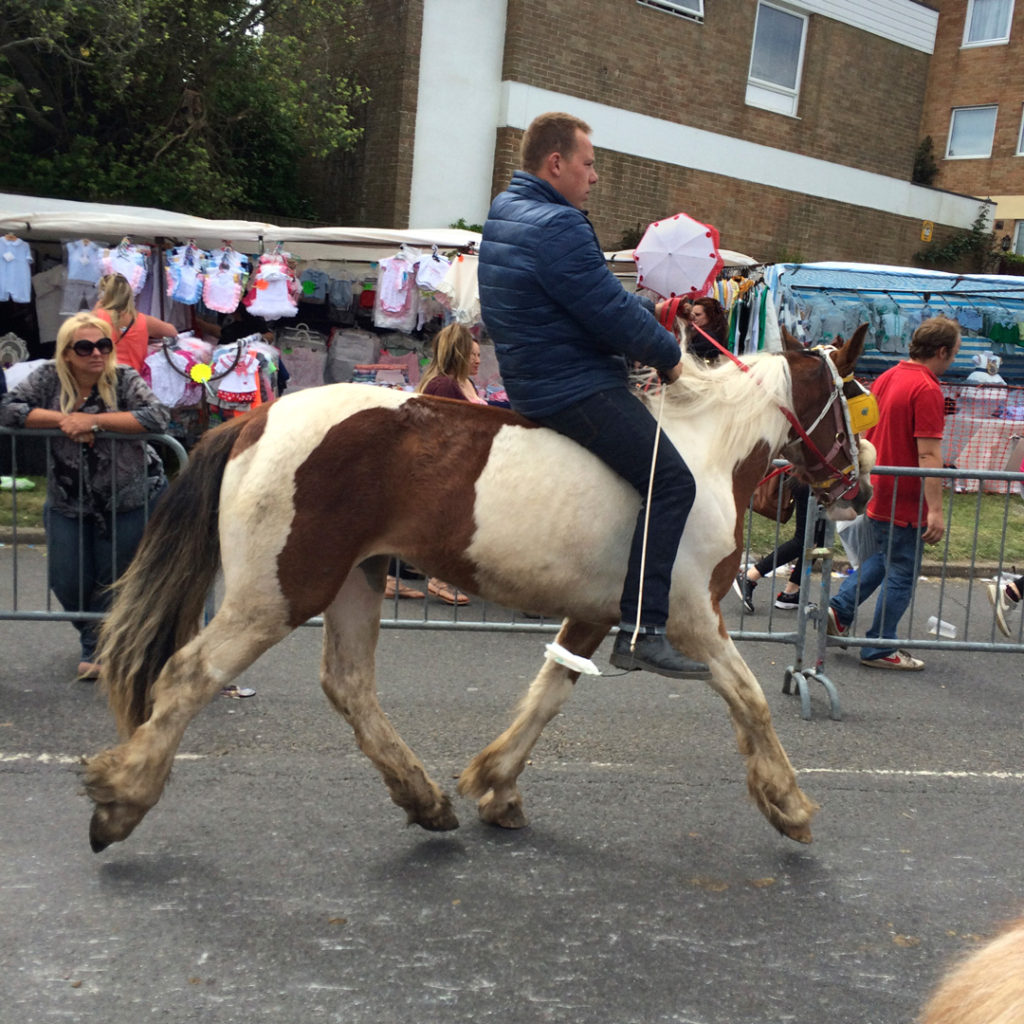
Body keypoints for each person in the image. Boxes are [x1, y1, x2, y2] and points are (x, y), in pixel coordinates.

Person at [478, 111, 708, 680]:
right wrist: (672, 359)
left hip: (533, 379)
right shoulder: (559, 224)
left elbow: (597, 294)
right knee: (673, 481)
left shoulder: (509, 210)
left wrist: (655, 313)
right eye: (589, 163)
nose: (595, 176)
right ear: (556, 163)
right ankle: (641, 631)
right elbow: (605, 312)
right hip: (571, 385)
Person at [0, 312, 170, 680]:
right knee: (67, 578)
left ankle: (98, 648)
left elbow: (157, 416)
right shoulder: (47, 378)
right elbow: (9, 408)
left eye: (103, 345)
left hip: (130, 495)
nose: (96, 353)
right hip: (67, 498)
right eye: (85, 346)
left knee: (115, 576)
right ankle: (99, 638)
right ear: (66, 353)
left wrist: (95, 421)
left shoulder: (123, 377)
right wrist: (63, 419)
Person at [826, 315, 961, 670]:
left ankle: (840, 609)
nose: (954, 360)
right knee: (901, 569)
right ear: (943, 351)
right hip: (905, 494)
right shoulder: (928, 388)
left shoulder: (889, 377)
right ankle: (880, 645)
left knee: (885, 559)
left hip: (881, 486)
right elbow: (928, 453)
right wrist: (935, 509)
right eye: (955, 353)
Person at [407, 322, 482, 606]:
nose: (478, 359)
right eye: (473, 354)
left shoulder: (462, 383)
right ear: (459, 353)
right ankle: (439, 578)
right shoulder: (444, 385)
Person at [733, 479, 824, 612]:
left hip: (820, 485)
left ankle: (791, 593)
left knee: (817, 544)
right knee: (803, 541)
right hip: (811, 482)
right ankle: (750, 576)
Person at [93, 272, 178, 373]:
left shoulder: (96, 317)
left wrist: (97, 307)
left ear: (103, 295)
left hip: (103, 377)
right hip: (133, 379)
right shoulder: (143, 320)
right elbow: (172, 332)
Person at [686, 296, 729, 363]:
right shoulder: (717, 332)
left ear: (710, 316)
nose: (693, 318)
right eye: (692, 314)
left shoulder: (707, 336)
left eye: (698, 315)